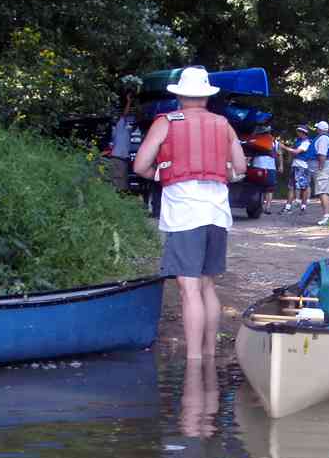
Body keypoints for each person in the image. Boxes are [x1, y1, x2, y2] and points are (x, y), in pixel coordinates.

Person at [133, 67, 247, 360]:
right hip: (217, 214)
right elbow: (240, 168)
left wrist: (161, 176)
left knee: (189, 287)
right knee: (208, 283)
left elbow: (140, 166)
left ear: (180, 95)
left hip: (185, 215)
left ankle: (195, 361)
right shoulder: (224, 124)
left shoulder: (166, 122)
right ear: (207, 96)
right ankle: (209, 354)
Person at [309, 120, 329, 225]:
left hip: (324, 167)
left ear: (319, 129)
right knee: (322, 191)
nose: (316, 130)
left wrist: (320, 168)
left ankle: (327, 216)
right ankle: (326, 215)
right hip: (327, 166)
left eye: (317, 128)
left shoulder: (322, 139)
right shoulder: (328, 137)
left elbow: (322, 154)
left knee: (323, 192)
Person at [279, 125, 311, 214]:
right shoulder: (298, 141)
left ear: (303, 132)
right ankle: (288, 208)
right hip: (295, 166)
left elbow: (296, 151)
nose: (297, 133)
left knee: (303, 188)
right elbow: (293, 152)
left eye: (298, 132)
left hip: (302, 167)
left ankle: (303, 208)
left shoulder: (306, 142)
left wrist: (284, 147)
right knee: (291, 187)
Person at [249, 126, 281, 214]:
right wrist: (280, 166)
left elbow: (250, 153)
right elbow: (278, 155)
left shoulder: (255, 140)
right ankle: (267, 207)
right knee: (269, 188)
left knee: (258, 186)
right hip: (270, 166)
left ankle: (260, 206)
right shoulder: (274, 142)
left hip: (258, 165)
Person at [109, 91, 134, 192]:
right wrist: (129, 102)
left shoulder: (122, 130)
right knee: (119, 185)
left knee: (122, 184)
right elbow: (124, 115)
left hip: (121, 160)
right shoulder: (120, 126)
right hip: (118, 160)